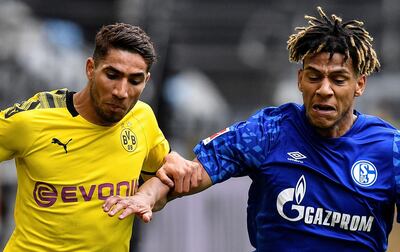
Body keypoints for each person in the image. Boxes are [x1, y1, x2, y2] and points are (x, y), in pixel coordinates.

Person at [103, 7, 400, 251]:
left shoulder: (389, 148)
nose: (324, 89)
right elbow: (187, 175)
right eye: (314, 76)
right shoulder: (268, 132)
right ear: (300, 80)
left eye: (338, 79)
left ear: (359, 85)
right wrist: (146, 197)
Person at [0, 23, 198, 251]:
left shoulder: (142, 119)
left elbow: (162, 182)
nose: (121, 92)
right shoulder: (32, 119)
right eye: (112, 75)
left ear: (147, 80)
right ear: (90, 69)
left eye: (135, 80)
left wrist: (150, 194)